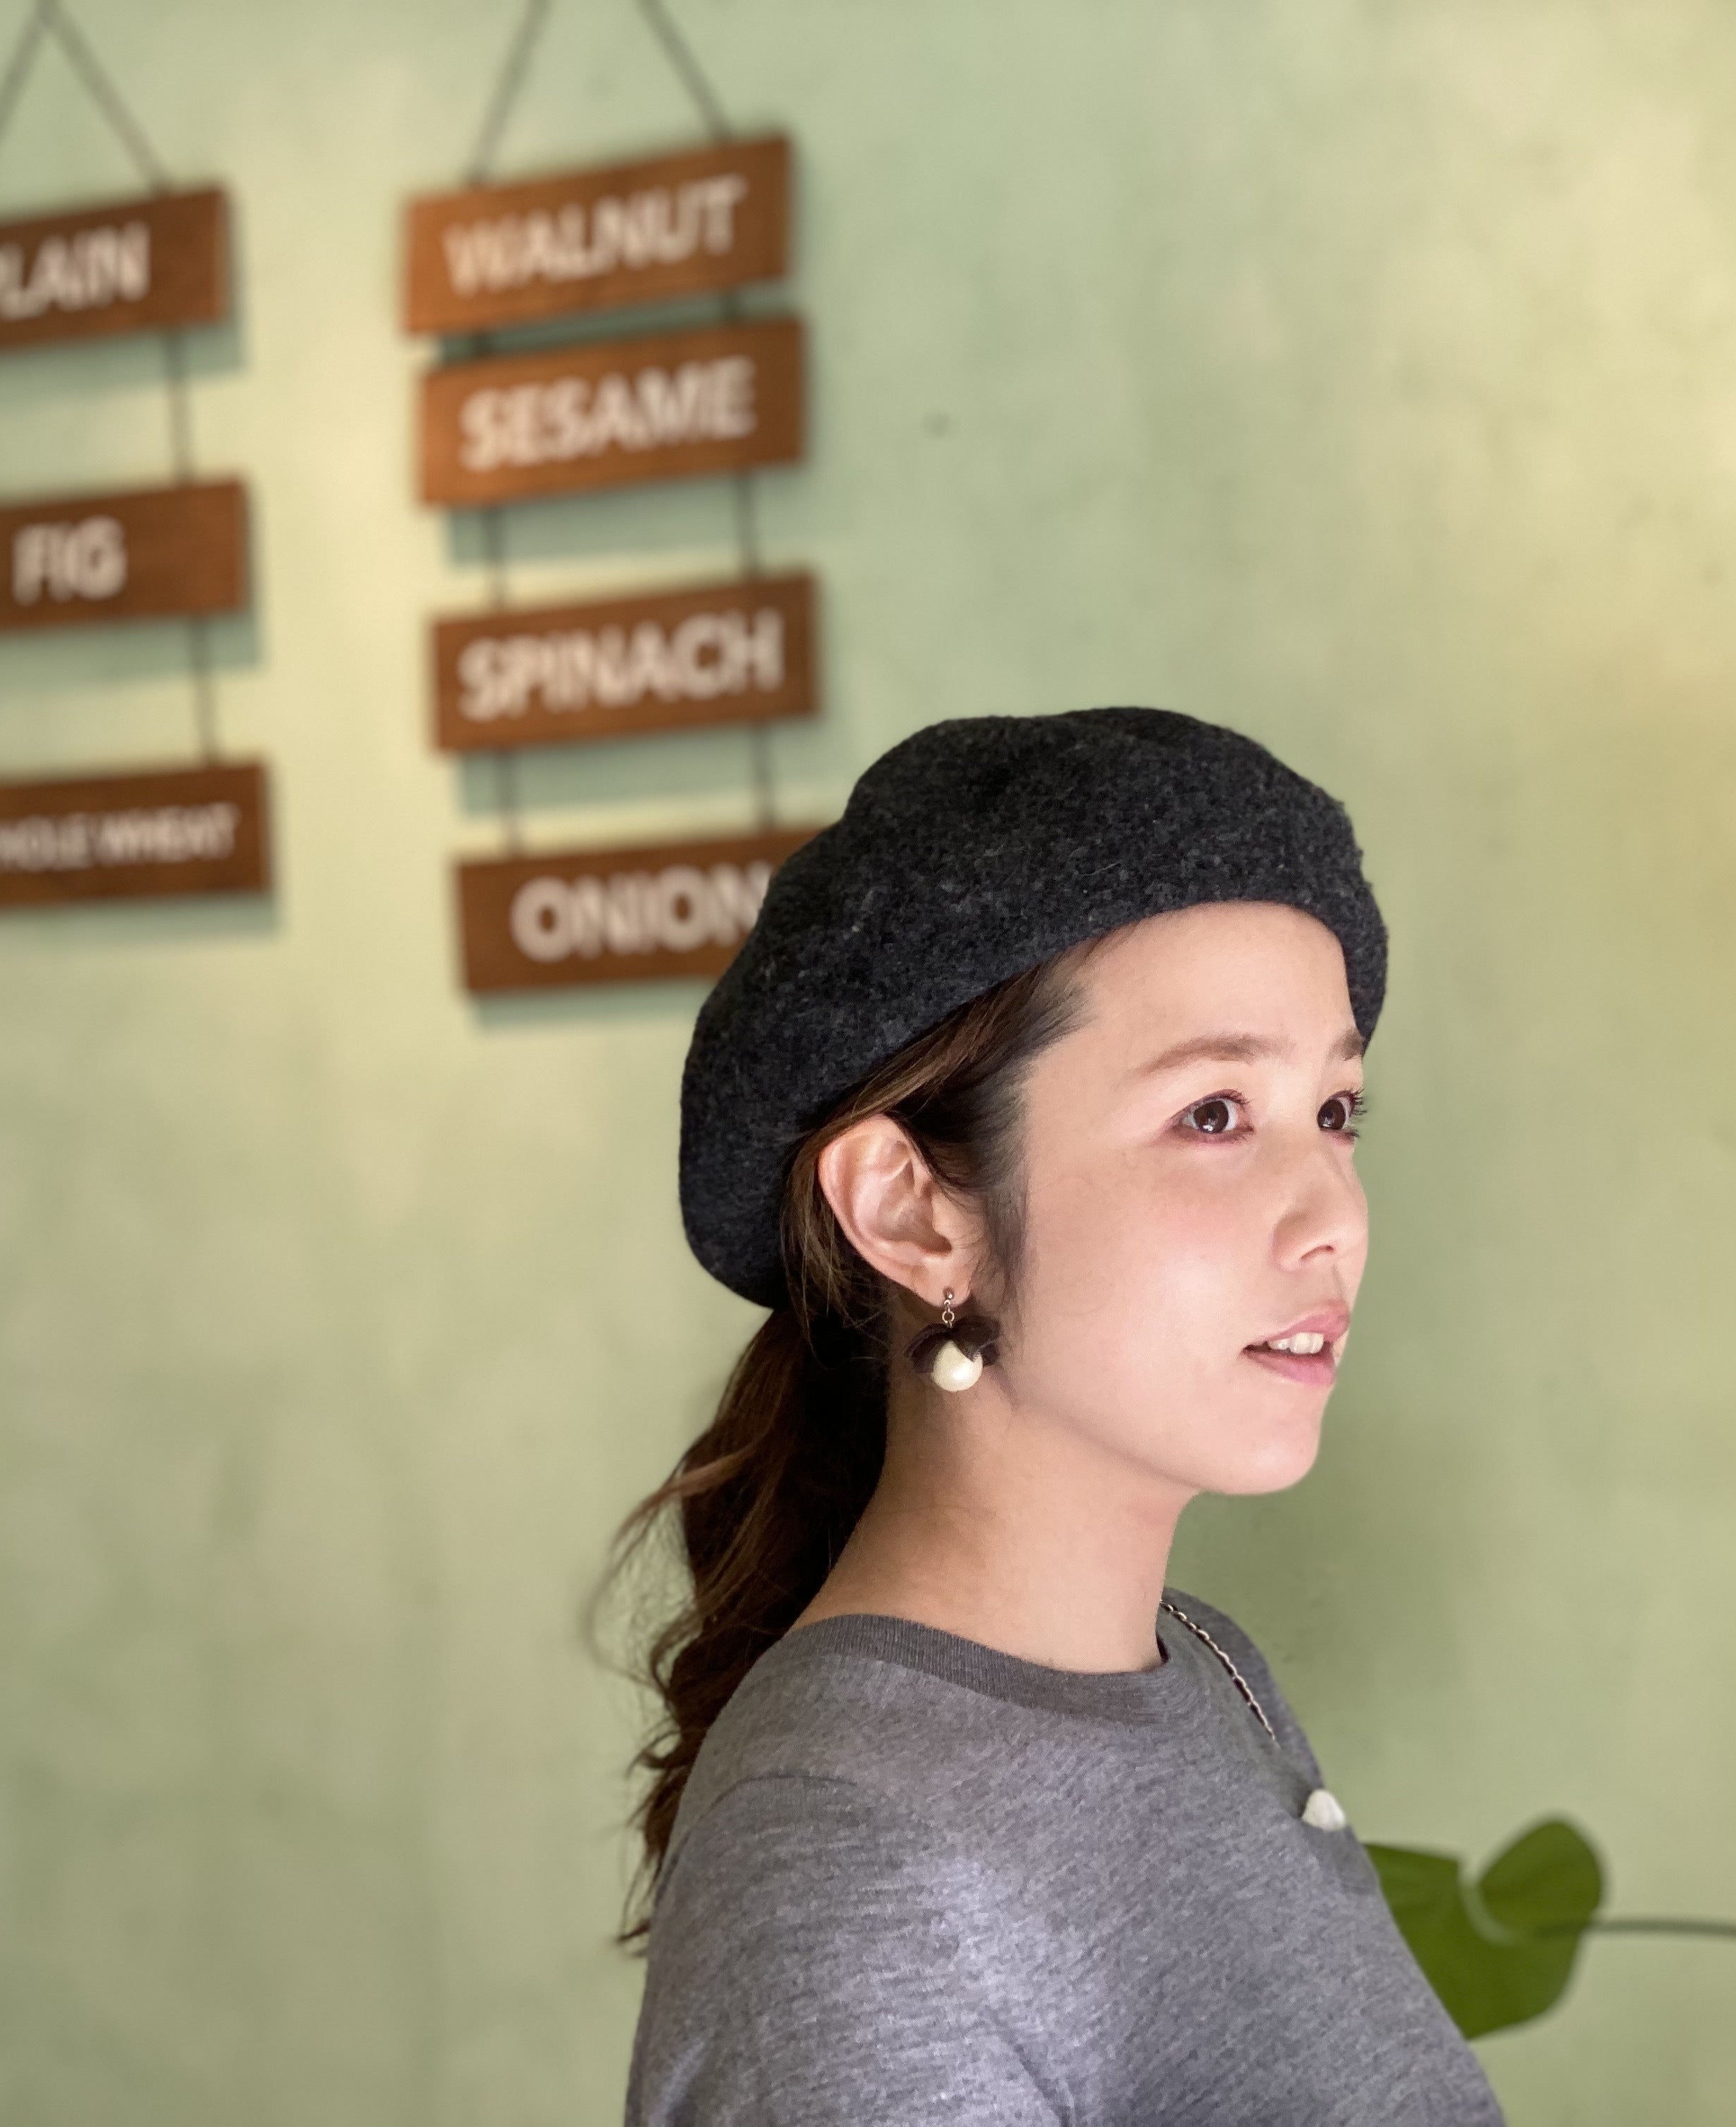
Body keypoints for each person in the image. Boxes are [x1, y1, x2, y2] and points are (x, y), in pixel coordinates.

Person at [608, 708, 1502, 2124]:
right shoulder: (846, 1876)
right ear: (912, 1213)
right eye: (1214, 1115)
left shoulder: (1207, 1672)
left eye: (1336, 1111)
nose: (1333, 1216)